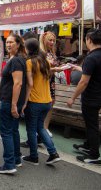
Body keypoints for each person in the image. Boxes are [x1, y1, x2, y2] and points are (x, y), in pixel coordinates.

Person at [67, 29, 101, 165]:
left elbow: (84, 81)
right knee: (91, 123)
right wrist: (78, 67)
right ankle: (88, 146)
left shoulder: (91, 57)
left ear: (89, 40)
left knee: (92, 126)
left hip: (91, 98)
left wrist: (73, 97)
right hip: (100, 96)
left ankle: (94, 156)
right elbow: (92, 72)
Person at [21, 38, 61, 166]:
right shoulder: (45, 61)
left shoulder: (29, 62)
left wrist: (25, 102)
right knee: (41, 127)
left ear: (28, 49)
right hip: (47, 101)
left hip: (35, 101)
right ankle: (53, 153)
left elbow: (30, 84)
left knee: (31, 130)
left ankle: (34, 156)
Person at [0, 34, 26, 175]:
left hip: (10, 102)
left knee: (6, 131)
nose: (8, 45)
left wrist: (14, 105)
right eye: (7, 42)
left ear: (18, 44)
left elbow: (18, 83)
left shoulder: (16, 61)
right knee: (13, 130)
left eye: (11, 42)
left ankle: (9, 164)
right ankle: (16, 158)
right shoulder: (16, 59)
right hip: (12, 101)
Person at [40, 31, 61, 137]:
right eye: (50, 40)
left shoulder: (52, 53)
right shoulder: (41, 53)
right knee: (43, 104)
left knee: (51, 103)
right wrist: (55, 69)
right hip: (42, 82)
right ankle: (40, 129)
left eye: (54, 40)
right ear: (44, 40)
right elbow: (41, 70)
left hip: (51, 81)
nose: (52, 42)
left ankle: (45, 127)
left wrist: (58, 68)